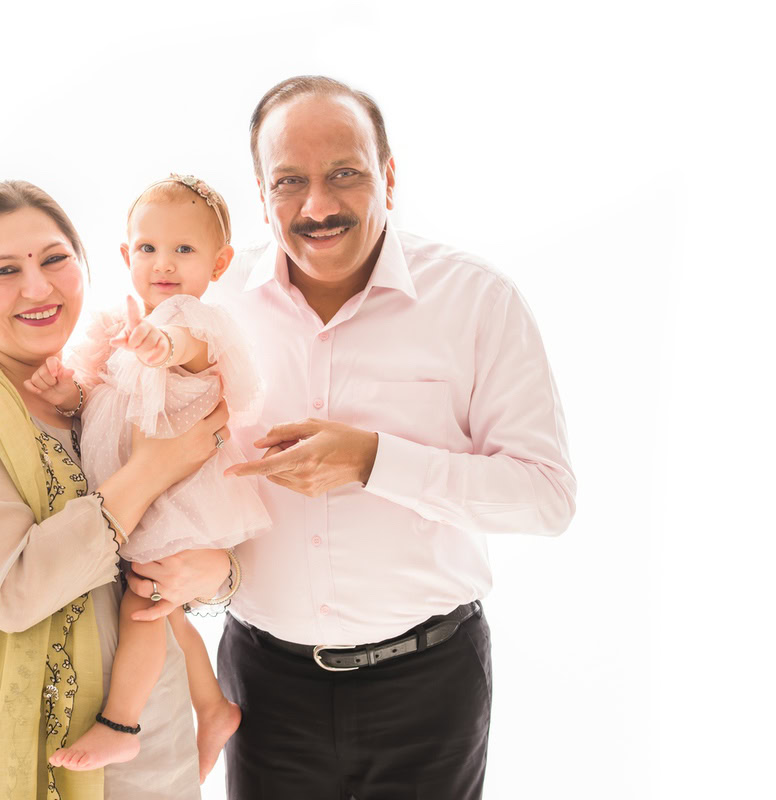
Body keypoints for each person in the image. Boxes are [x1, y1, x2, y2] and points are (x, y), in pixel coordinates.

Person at [156, 75, 578, 799]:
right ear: (261, 196)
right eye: (290, 182)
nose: (317, 207)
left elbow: (546, 499)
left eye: (344, 174)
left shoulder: (478, 302)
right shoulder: (208, 315)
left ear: (388, 176)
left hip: (430, 685)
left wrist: (376, 461)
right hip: (263, 686)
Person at [0, 180, 234, 800]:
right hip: (47, 748)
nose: (38, 288)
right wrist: (149, 470)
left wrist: (218, 569)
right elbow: (14, 591)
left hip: (155, 732)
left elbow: (175, 537)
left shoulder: (92, 390)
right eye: (5, 270)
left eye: (55, 260)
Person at [26, 175, 267, 782]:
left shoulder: (188, 318)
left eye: (184, 250)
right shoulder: (122, 324)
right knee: (167, 608)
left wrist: (162, 345)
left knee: (144, 602)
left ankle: (120, 725)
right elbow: (102, 401)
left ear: (219, 262)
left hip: (175, 494)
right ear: (127, 255)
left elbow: (192, 348)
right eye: (148, 248)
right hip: (147, 484)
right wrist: (68, 393)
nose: (164, 263)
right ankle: (211, 707)